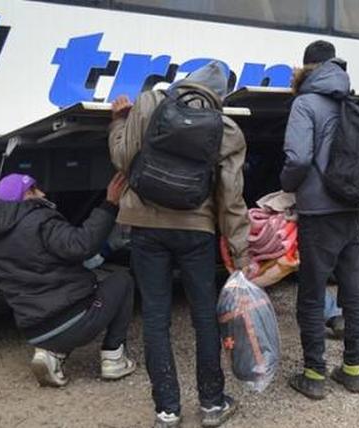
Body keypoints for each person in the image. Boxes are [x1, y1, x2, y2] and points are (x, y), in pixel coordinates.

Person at [109, 61, 249, 427]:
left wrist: (119, 122)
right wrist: (240, 252)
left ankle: (167, 410)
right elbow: (231, 196)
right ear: (219, 97)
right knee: (204, 315)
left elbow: (123, 159)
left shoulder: (148, 103)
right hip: (196, 229)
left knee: (156, 318)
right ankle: (212, 404)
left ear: (187, 82)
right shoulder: (227, 128)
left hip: (146, 226)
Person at [0, 172, 136, 387]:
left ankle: (52, 354)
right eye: (33, 190)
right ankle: (114, 357)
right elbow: (82, 245)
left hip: (34, 332)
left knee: (61, 311)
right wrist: (109, 204)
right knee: (122, 281)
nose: (42, 193)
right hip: (73, 321)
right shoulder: (41, 222)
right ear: (23, 197)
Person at [282, 40, 359, 399]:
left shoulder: (305, 103)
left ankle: (314, 375)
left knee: (312, 292)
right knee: (353, 289)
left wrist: (287, 185)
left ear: (306, 68)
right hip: (351, 205)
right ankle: (353, 370)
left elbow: (299, 159)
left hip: (318, 211)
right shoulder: (350, 100)